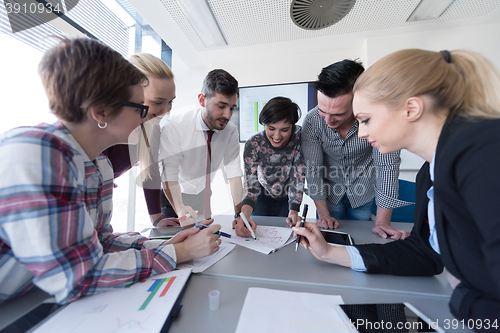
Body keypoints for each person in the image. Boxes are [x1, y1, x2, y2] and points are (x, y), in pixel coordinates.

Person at [0, 37, 221, 306]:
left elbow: (100, 241)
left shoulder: (99, 166)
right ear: (102, 111)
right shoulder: (37, 154)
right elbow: (78, 277)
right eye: (141, 108)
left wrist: (166, 245)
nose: (147, 117)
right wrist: (177, 253)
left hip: (25, 297)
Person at [293, 49, 500, 327]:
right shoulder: (430, 172)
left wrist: (463, 299)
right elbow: (425, 254)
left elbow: (387, 170)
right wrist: (329, 252)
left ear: (411, 109)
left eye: (365, 119)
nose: (362, 133)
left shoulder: (483, 151)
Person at [302, 60, 410, 240]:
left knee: (362, 238)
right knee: (331, 238)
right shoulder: (313, 121)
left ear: (359, 100)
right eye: (322, 111)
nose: (328, 121)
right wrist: (323, 215)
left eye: (338, 114)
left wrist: (383, 222)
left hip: (364, 191)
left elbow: (387, 168)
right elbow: (313, 170)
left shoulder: (379, 120)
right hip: (329, 193)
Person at [159, 69, 254, 236]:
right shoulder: (175, 126)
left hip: (203, 196)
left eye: (232, 108)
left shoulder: (230, 131)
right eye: (221, 106)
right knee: (175, 251)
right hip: (173, 198)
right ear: (202, 100)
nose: (227, 115)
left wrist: (238, 215)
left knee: (203, 249)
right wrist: (181, 212)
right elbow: (169, 175)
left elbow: (234, 174)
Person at [102, 53, 178, 227]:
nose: (166, 110)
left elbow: (150, 172)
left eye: (170, 102)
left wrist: (157, 218)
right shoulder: (102, 128)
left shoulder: (152, 128)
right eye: (158, 102)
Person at [241, 97, 305, 227]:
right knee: (256, 232)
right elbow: (250, 185)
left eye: (285, 130)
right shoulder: (254, 144)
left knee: (284, 232)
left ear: (293, 126)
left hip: (287, 197)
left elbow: (297, 179)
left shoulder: (300, 140)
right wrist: (244, 217)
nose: (277, 136)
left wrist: (294, 210)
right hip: (260, 195)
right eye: (271, 128)